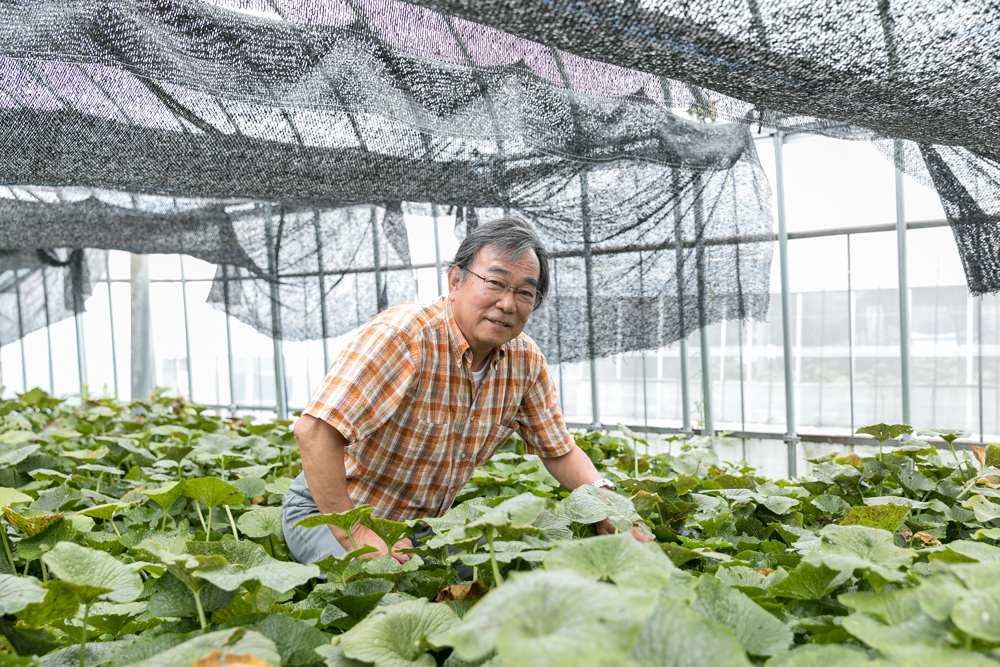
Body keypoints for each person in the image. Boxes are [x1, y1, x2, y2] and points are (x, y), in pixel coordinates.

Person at [282, 216, 649, 565]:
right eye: (495, 283)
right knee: (381, 590)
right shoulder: (405, 336)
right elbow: (314, 432)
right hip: (329, 511)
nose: (507, 303)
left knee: (488, 592)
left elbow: (558, 450)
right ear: (455, 280)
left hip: (420, 529)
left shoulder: (525, 361)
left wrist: (607, 502)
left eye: (524, 292)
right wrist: (356, 531)